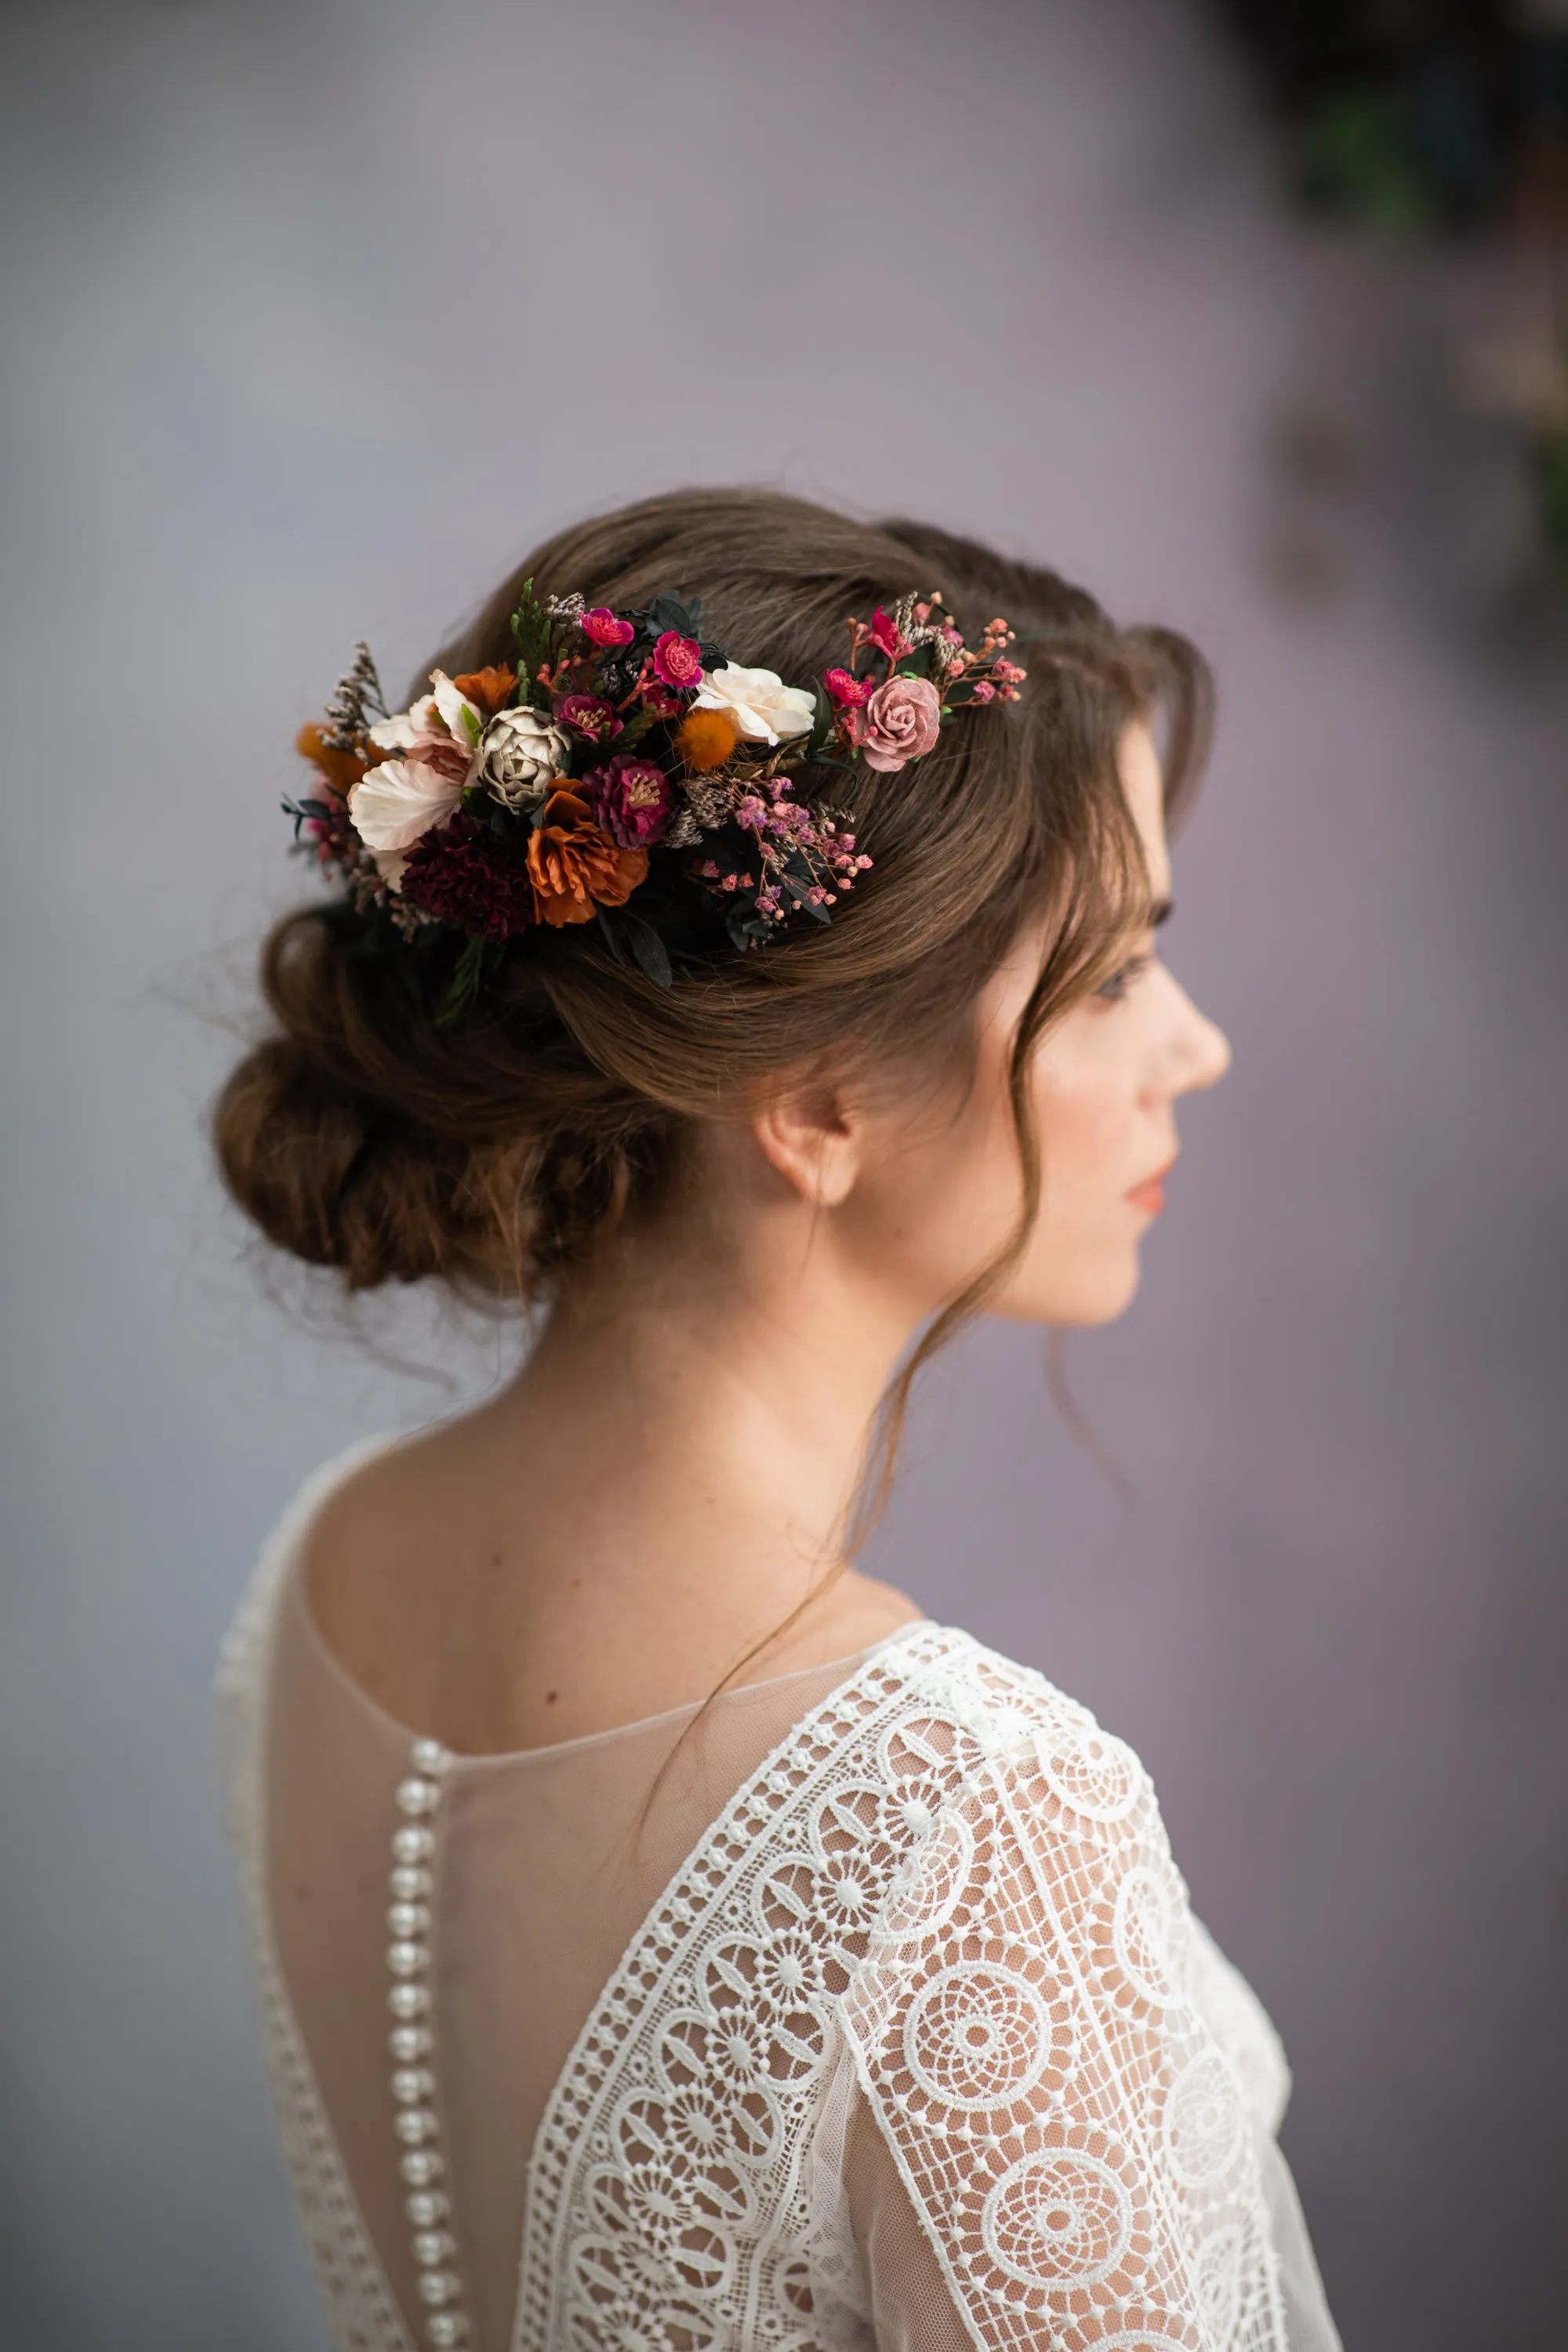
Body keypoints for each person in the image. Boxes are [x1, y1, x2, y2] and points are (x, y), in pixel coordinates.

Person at [213, 489, 1341, 2352]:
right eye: (1119, 970)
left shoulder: (321, 1578)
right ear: (812, 1104)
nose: (1194, 1045)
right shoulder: (966, 1816)